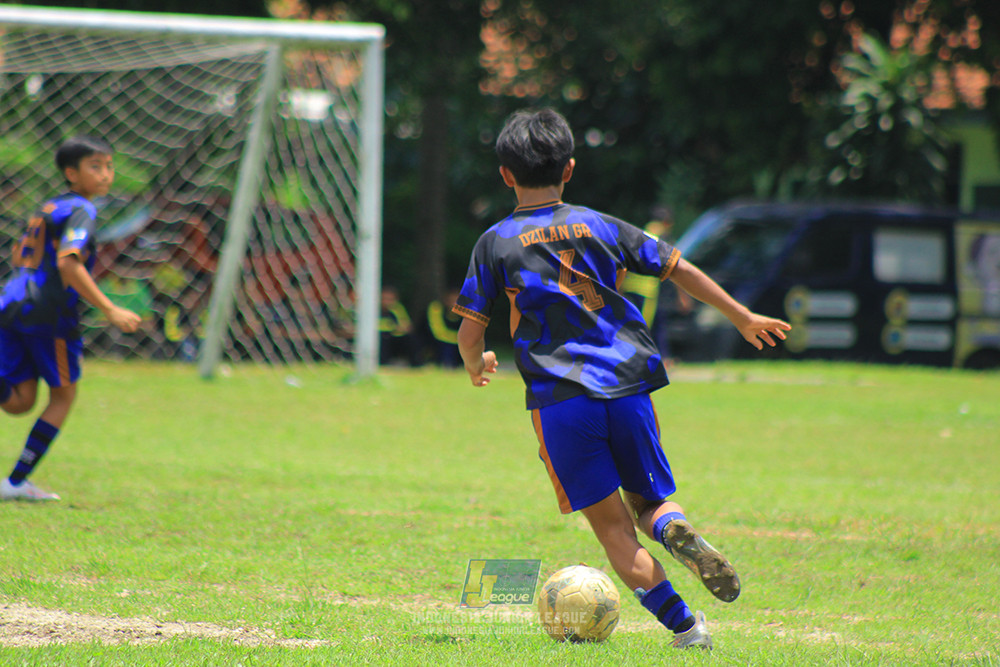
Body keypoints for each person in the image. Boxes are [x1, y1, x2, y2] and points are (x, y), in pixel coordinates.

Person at [453, 109, 791, 649]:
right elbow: (676, 266)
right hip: (629, 386)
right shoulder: (602, 224)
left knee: (613, 532)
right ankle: (672, 528)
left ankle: (688, 628)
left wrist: (477, 364)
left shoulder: (496, 242)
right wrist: (742, 317)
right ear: (569, 169)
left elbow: (471, 334)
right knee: (651, 501)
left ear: (505, 175)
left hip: (561, 400)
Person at [0, 136, 142, 501]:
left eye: (109, 166)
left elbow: (20, 253)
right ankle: (16, 483)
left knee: (19, 400)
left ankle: (14, 484)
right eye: (95, 167)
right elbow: (68, 262)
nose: (106, 174)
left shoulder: (48, 207)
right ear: (71, 172)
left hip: (12, 302)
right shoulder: (83, 210)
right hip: (49, 315)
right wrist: (110, 308)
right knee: (63, 396)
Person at [423, 288, 462, 368]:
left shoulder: (467, 311)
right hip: (438, 340)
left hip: (458, 341)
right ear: (446, 301)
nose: (455, 304)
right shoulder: (436, 308)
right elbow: (438, 332)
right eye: (452, 300)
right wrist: (459, 338)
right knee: (447, 347)